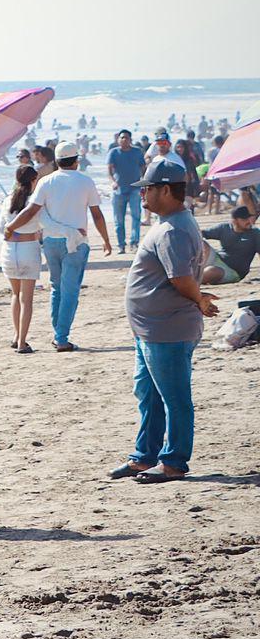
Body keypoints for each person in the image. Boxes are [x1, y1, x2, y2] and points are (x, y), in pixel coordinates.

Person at [109, 158, 220, 484]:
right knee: (148, 395)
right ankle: (144, 457)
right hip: (151, 328)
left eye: (148, 189)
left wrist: (199, 298)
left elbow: (181, 278)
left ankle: (173, 463)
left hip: (167, 329)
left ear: (167, 190)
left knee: (174, 398)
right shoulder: (172, 222)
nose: (143, 196)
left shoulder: (173, 228)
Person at [4, 142, 113, 352]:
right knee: (70, 291)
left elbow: (30, 210)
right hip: (76, 242)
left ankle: (58, 333)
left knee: (56, 288)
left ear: (56, 161)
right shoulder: (85, 181)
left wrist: (10, 227)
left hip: (51, 242)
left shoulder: (46, 181)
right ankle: (61, 338)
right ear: (76, 161)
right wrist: (106, 240)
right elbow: (97, 214)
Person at [0, 165, 43, 353]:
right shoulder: (34, 201)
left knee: (15, 295)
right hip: (28, 248)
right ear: (33, 180)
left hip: (9, 250)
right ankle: (22, 341)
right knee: (27, 299)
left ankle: (17, 335)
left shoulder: (9, 199)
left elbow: (2, 229)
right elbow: (43, 223)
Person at [107, 129, 148, 249]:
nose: (124, 140)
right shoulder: (113, 153)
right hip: (119, 190)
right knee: (119, 220)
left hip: (135, 189)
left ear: (130, 140)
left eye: (126, 138)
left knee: (136, 217)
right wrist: (113, 182)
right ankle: (121, 244)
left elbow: (143, 167)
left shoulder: (137, 152)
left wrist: (143, 181)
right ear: (118, 139)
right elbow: (109, 171)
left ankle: (134, 242)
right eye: (122, 138)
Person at [201, 206, 257, 284]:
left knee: (212, 271)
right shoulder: (224, 228)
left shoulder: (255, 233)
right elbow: (200, 234)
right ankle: (187, 270)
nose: (248, 221)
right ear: (234, 221)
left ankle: (190, 281)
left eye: (249, 218)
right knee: (200, 241)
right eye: (244, 219)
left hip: (233, 271)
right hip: (217, 258)